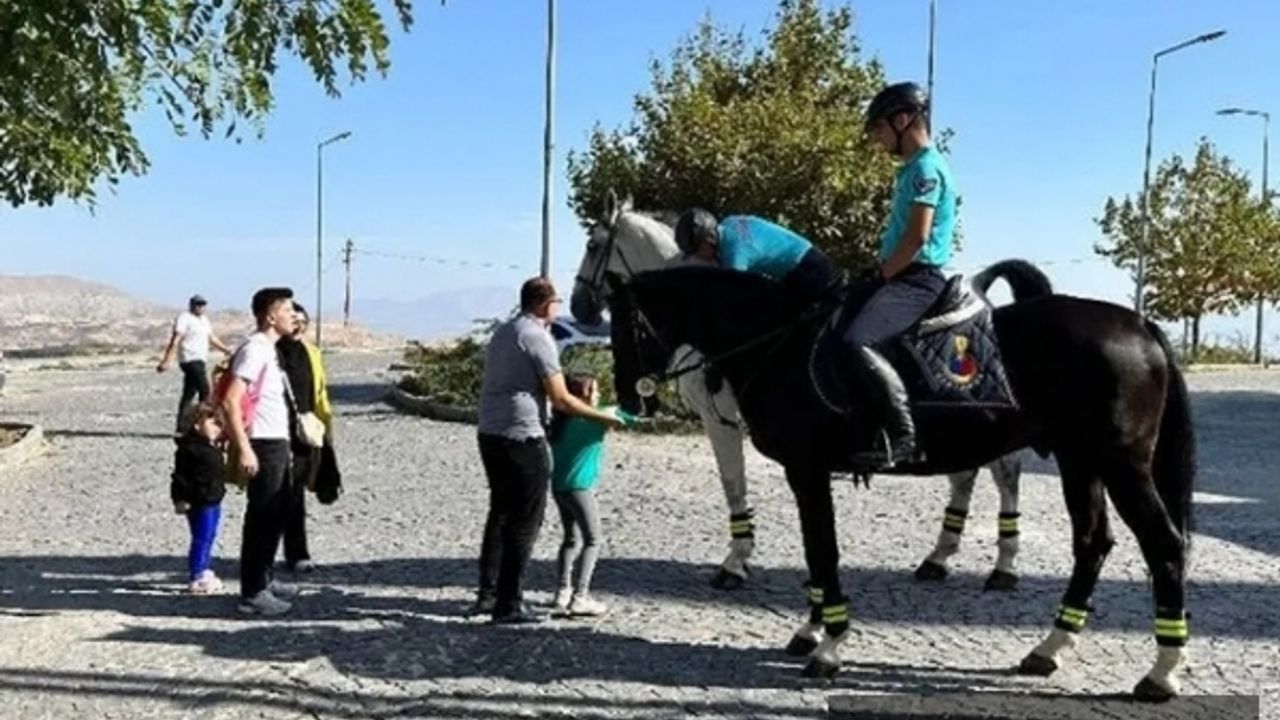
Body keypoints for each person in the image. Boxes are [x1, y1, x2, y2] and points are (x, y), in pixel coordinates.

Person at [470, 277, 624, 625]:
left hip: (490, 433)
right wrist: (603, 417)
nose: (558, 308)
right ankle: (509, 603)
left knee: (500, 513)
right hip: (522, 436)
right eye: (556, 302)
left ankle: (488, 593)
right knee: (525, 520)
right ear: (544, 304)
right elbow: (561, 397)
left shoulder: (505, 332)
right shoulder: (537, 337)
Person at [843, 81, 958, 470]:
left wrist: (883, 273)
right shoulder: (910, 169)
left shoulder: (926, 167)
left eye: (879, 128)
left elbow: (917, 236)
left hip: (916, 278)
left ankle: (905, 437)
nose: (876, 138)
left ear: (903, 119)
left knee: (859, 342)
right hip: (902, 274)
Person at [220, 287, 301, 616]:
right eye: (288, 310)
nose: (294, 316)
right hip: (262, 444)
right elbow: (230, 399)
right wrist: (244, 448)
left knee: (277, 513)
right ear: (271, 316)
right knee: (262, 517)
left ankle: (264, 578)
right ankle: (252, 592)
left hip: (276, 442)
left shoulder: (269, 349)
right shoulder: (255, 349)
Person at [548, 372, 635, 617]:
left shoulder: (561, 422)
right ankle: (581, 595)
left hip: (559, 486)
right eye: (594, 391)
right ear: (583, 395)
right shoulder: (594, 420)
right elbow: (630, 419)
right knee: (593, 539)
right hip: (580, 487)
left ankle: (562, 591)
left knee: (570, 539)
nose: (598, 395)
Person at [673, 210, 840, 308]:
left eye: (696, 251)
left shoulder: (735, 255)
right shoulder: (730, 222)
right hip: (809, 260)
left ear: (709, 240)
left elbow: (732, 299)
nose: (698, 257)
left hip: (807, 271)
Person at [275, 302, 335, 574]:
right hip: (274, 433)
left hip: (305, 434)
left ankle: (296, 553)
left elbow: (319, 395)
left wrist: (325, 430)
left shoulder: (311, 353)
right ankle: (265, 557)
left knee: (295, 494)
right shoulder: (270, 353)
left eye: (303, 321)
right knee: (273, 497)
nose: (298, 325)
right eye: (294, 319)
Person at [170, 402, 227, 594]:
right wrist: (179, 498)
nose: (218, 428)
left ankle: (204, 568)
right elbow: (180, 477)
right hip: (198, 501)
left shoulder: (212, 446)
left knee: (210, 536)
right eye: (213, 424)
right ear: (197, 425)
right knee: (201, 538)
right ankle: (196, 574)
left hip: (213, 498)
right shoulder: (189, 449)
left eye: (220, 424)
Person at [158, 295, 231, 432]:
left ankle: (182, 426)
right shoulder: (184, 318)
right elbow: (176, 339)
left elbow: (211, 338)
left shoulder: (204, 320)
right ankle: (204, 423)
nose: (200, 307)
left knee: (189, 393)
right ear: (191, 305)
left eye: (202, 305)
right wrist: (167, 360)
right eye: (197, 304)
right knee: (205, 390)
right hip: (189, 359)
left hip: (201, 359)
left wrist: (226, 350)